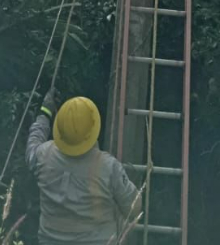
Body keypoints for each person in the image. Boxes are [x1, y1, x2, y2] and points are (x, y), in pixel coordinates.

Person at [26, 89, 140, 244]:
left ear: (60, 128)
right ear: (93, 129)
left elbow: (33, 143)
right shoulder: (108, 167)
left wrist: (45, 111)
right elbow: (134, 208)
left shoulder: (43, 155)